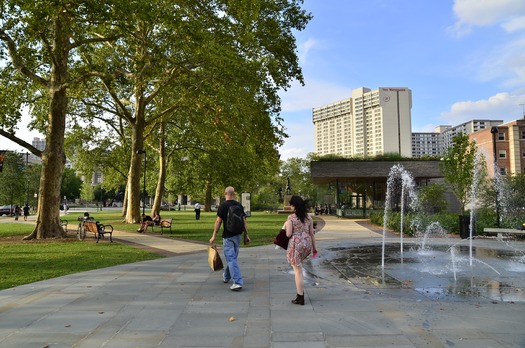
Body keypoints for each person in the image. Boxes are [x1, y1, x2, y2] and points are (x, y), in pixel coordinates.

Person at [209, 186, 250, 291]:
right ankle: (226, 276)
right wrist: (246, 235)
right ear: (234, 194)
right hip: (238, 235)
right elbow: (244, 221)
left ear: (225, 193)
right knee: (232, 258)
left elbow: (218, 221)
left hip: (228, 236)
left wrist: (214, 235)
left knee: (231, 259)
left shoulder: (223, 205)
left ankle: (237, 282)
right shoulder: (239, 205)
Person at [285, 195, 317, 305]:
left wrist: (286, 225)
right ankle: (300, 295)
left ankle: (300, 296)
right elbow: (312, 233)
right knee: (299, 267)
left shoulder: (291, 218)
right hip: (307, 244)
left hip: (296, 245)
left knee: (297, 271)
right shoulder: (308, 217)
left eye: (291, 205)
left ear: (294, 206)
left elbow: (288, 234)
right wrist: (314, 248)